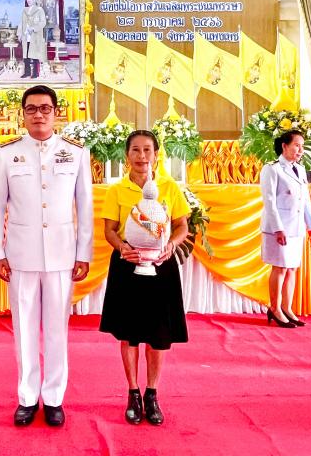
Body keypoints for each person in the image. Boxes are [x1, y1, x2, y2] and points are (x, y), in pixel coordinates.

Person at [0, 84, 93, 427]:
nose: (38, 115)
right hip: (20, 254)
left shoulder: (76, 152)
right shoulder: (6, 153)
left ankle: (54, 398)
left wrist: (83, 252)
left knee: (57, 330)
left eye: (45, 108)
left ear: (56, 112)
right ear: (23, 114)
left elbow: (85, 207)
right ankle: (27, 397)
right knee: (24, 329)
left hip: (63, 254)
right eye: (31, 109)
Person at [99, 130, 190, 426]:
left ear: (156, 154)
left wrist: (171, 246)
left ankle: (152, 393)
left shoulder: (168, 186)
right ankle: (132, 392)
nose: (141, 157)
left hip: (161, 267)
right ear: (127, 155)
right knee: (129, 333)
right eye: (135, 150)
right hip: (127, 265)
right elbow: (110, 230)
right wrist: (122, 247)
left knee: (158, 334)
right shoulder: (117, 190)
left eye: (147, 150)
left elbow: (181, 227)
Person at [259, 130, 311, 328]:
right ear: (284, 146)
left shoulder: (300, 170)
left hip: (296, 227)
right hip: (279, 227)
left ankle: (287, 307)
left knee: (292, 268)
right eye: (297, 145)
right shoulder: (272, 169)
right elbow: (269, 202)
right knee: (280, 267)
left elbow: (305, 201)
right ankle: (275, 308)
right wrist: (278, 229)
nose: (300, 150)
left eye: (302, 146)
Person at [17, 0, 47, 79]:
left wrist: (34, 28)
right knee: (26, 55)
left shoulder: (39, 10)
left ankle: (35, 73)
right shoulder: (24, 10)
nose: (28, 0)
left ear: (34, 0)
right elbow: (21, 23)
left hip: (35, 36)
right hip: (25, 35)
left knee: (35, 55)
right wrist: (19, 34)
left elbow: (43, 22)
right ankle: (27, 72)